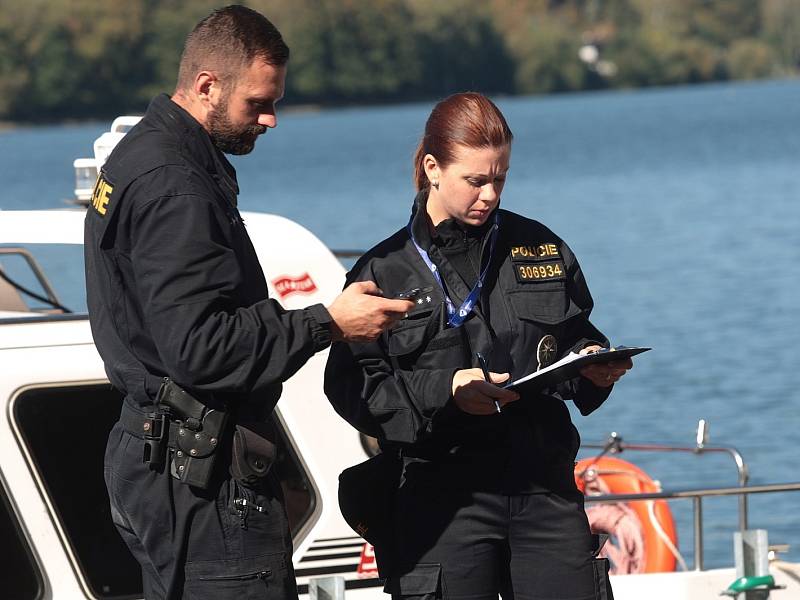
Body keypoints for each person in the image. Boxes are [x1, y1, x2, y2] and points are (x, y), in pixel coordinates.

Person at [84, 6, 413, 599]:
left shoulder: (138, 155)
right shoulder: (176, 186)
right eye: (258, 102)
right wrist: (329, 323)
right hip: (201, 483)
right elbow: (201, 349)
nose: (270, 118)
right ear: (207, 85)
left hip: (153, 458)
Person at [324, 92, 633, 600]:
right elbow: (353, 387)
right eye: (476, 180)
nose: (490, 194)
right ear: (433, 168)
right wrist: (445, 390)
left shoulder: (541, 248)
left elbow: (576, 334)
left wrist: (592, 365)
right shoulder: (383, 271)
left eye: (501, 178)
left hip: (543, 487)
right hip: (443, 495)